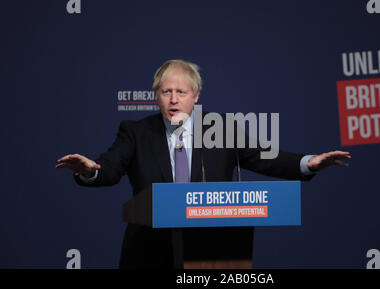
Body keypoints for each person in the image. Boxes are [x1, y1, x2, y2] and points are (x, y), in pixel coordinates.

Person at [56, 59, 351, 269]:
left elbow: (265, 157)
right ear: (156, 96)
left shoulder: (220, 128)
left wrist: (308, 163)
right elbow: (109, 168)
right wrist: (89, 170)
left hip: (213, 250)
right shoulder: (135, 132)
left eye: (181, 92)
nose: (173, 99)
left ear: (195, 96)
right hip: (148, 250)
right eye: (166, 92)